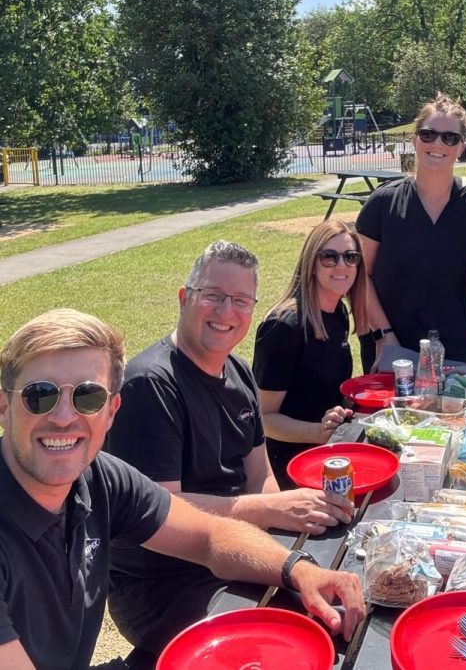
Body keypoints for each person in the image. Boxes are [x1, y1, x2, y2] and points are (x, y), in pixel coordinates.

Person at [0, 308, 365, 670]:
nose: (64, 417)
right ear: (4, 406)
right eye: (40, 395)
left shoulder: (99, 478)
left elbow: (209, 536)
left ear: (111, 411)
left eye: (88, 397)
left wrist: (298, 570)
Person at [107, 240, 355, 660]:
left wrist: (285, 527)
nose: (226, 312)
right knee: (288, 645)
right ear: (184, 298)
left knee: (341, 605)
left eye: (240, 300)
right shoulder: (149, 385)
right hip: (166, 583)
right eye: (213, 295)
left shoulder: (238, 371)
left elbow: (260, 474)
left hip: (236, 551)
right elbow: (162, 510)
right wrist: (274, 510)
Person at [356, 92, 466, 370]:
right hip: (392, 350)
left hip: (459, 354)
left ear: (461, 148)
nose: (438, 143)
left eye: (450, 138)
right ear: (414, 140)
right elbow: (359, 274)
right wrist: (384, 335)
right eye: (428, 134)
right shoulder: (382, 202)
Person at [253, 219, 369, 486]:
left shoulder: (338, 312)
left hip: (330, 455)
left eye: (350, 257)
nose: (341, 266)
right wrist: (319, 432)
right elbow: (263, 419)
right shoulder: (283, 326)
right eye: (329, 257)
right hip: (288, 467)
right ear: (311, 264)